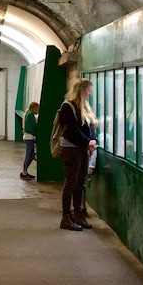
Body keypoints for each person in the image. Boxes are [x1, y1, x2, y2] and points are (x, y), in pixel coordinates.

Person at [57, 79, 97, 231]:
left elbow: (90, 125)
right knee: (71, 183)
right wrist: (87, 142)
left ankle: (78, 214)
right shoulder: (68, 106)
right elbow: (72, 130)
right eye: (88, 91)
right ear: (81, 90)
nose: (90, 94)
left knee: (80, 183)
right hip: (71, 150)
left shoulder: (85, 106)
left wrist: (93, 141)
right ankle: (66, 217)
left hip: (83, 150)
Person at [21, 102, 39, 179]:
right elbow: (35, 126)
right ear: (34, 108)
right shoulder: (31, 115)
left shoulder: (28, 114)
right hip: (29, 137)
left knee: (31, 155)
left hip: (28, 137)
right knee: (29, 155)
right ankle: (24, 172)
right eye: (38, 109)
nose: (38, 111)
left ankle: (25, 171)